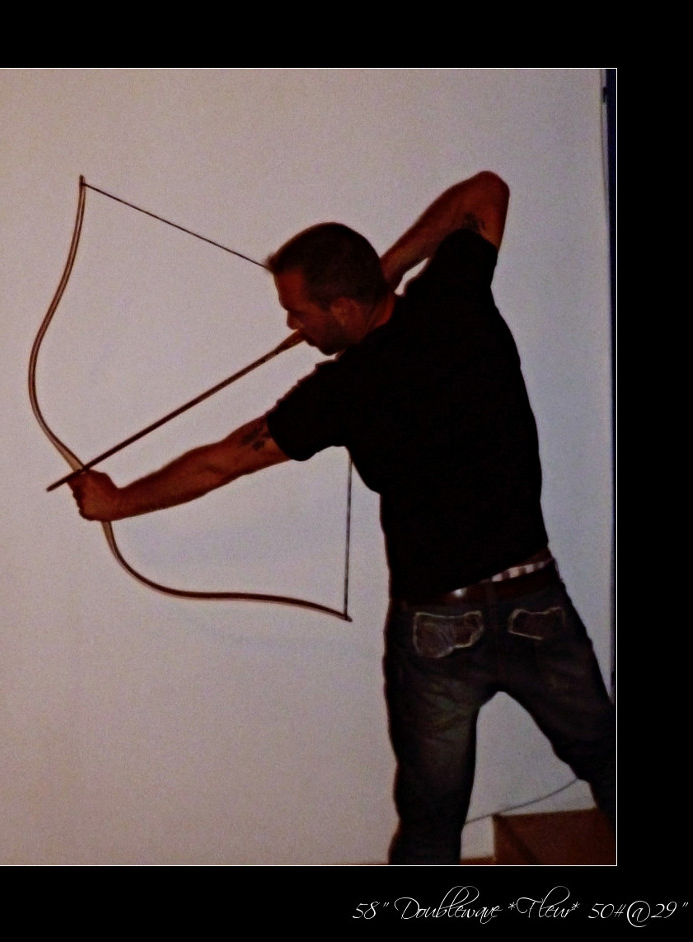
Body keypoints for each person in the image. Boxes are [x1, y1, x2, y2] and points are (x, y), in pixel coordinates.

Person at [69, 171, 615, 864]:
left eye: (299, 312)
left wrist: (118, 501)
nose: (292, 326)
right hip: (534, 601)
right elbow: (487, 192)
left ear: (346, 308)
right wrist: (393, 266)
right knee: (606, 761)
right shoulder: (454, 295)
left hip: (438, 628)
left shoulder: (341, 389)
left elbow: (222, 463)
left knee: (432, 822)